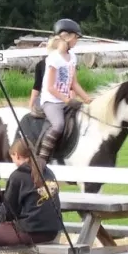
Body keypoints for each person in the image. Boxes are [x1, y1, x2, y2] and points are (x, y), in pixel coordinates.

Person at [0, 136, 63, 250]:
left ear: (17, 155)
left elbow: (4, 216)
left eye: (12, 158)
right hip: (53, 229)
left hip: (33, 231)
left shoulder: (18, 176)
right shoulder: (48, 171)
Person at [36, 19, 91, 166]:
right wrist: (67, 100)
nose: (76, 41)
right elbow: (50, 88)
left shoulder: (72, 57)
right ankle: (42, 159)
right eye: (75, 38)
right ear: (66, 36)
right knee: (58, 125)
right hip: (51, 101)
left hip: (66, 100)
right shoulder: (53, 58)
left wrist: (87, 99)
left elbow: (74, 83)